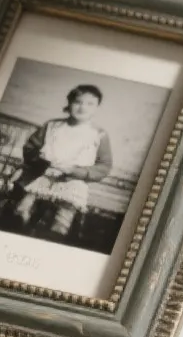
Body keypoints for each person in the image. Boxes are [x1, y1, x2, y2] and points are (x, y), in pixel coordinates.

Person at [8, 84, 114, 240]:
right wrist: (41, 159)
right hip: (41, 178)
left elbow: (104, 167)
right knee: (22, 212)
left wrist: (75, 171)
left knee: (60, 225)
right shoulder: (52, 126)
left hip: (71, 185)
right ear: (69, 103)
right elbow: (30, 148)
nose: (82, 107)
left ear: (97, 107)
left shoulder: (98, 134)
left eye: (90, 104)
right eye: (78, 101)